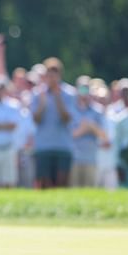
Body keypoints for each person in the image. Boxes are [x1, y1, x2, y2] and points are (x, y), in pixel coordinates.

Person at [30, 57, 76, 188]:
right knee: (44, 187)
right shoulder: (37, 94)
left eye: (54, 76)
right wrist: (42, 104)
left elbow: (67, 119)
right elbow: (36, 120)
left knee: (61, 187)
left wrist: (57, 97)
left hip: (63, 147)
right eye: (49, 76)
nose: (52, 79)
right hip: (43, 147)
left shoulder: (69, 94)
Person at [70, 76, 105, 187]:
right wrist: (84, 129)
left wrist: (91, 126)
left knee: (89, 190)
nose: (84, 92)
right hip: (74, 158)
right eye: (82, 89)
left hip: (91, 159)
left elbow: (104, 135)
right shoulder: (70, 109)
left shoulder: (97, 111)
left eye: (86, 89)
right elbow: (70, 135)